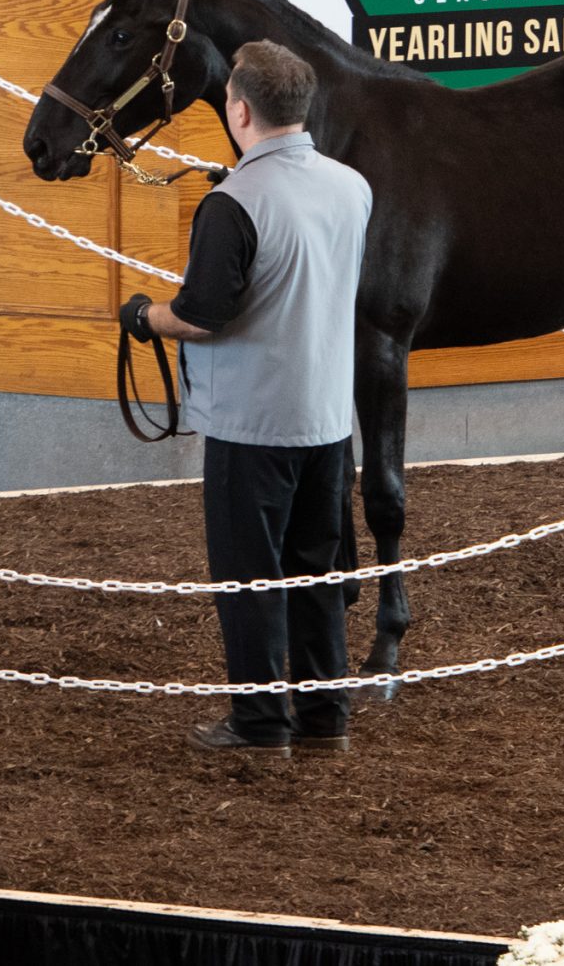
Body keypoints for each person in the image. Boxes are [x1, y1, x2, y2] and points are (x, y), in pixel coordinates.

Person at [119, 40, 373, 756]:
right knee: (319, 571)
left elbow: (203, 313)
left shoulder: (231, 204)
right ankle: (327, 715)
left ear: (239, 109)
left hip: (253, 426)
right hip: (327, 420)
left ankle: (261, 723)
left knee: (249, 576)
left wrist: (143, 318)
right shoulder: (353, 186)